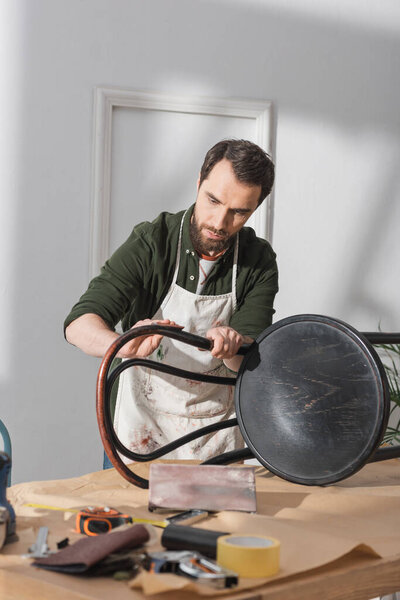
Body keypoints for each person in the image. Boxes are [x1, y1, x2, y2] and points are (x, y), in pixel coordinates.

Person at [64, 139, 278, 465]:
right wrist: (124, 344)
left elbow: (250, 362)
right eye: (213, 200)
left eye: (238, 212)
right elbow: (79, 326)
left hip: (214, 435)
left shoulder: (259, 261)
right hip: (139, 431)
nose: (220, 222)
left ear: (254, 209)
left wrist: (234, 346)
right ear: (198, 183)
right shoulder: (153, 242)